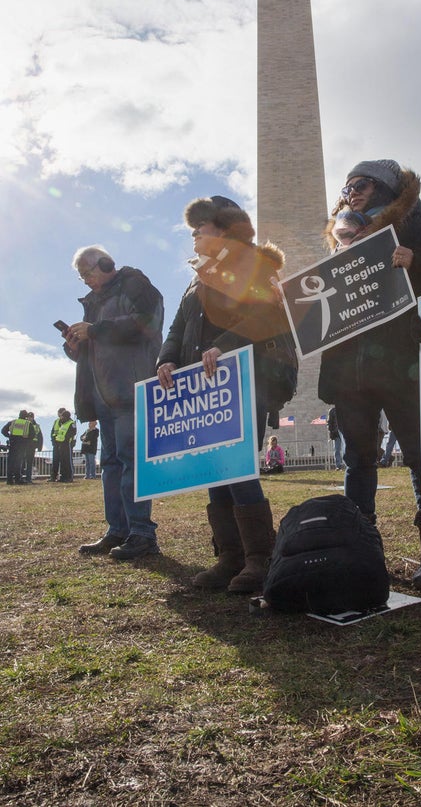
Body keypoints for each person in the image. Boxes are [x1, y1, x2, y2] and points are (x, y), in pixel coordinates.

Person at [319, 159, 421, 587]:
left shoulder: (416, 228)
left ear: (385, 189)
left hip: (401, 360)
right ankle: (362, 551)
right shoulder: (341, 239)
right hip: (350, 367)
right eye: (348, 185)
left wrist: (416, 262)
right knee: (357, 459)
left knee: (418, 455)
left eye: (362, 184)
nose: (352, 191)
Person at [156, 195, 297, 594]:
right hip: (204, 386)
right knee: (215, 468)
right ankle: (230, 556)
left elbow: (268, 314)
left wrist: (226, 343)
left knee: (236, 464)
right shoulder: (196, 277)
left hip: (247, 377)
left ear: (224, 230)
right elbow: (178, 328)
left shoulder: (252, 265)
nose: (195, 236)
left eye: (201, 229)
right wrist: (166, 359)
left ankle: (259, 556)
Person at [64, 245, 163, 560]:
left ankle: (142, 533)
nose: (86, 281)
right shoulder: (95, 301)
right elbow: (97, 343)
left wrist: (96, 330)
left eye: (87, 273)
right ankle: (118, 530)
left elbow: (147, 322)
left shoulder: (135, 284)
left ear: (105, 263)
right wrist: (77, 346)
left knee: (130, 461)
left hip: (128, 389)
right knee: (110, 465)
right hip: (102, 394)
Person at [2, 411, 34, 486]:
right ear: (26, 416)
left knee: (11, 463)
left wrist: (9, 436)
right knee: (18, 463)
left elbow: (3, 431)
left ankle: (9, 480)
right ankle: (18, 479)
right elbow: (33, 435)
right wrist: (27, 439)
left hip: (12, 444)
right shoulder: (28, 424)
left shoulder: (12, 422)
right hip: (22, 445)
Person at [54, 408, 77, 482]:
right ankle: (63, 477)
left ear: (66, 417)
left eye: (63, 417)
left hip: (67, 444)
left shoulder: (71, 423)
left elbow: (73, 432)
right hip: (60, 444)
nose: (61, 418)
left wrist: (66, 439)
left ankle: (69, 477)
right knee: (62, 461)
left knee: (68, 461)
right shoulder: (63, 424)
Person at [21, 412, 43, 483]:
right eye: (28, 417)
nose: (29, 418)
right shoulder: (24, 424)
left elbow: (40, 437)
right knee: (22, 462)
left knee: (29, 463)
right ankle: (21, 478)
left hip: (32, 446)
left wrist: (40, 447)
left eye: (31, 417)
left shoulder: (37, 426)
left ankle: (28, 478)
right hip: (25, 445)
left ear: (33, 418)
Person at [49, 407, 67, 481]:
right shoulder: (56, 421)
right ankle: (53, 477)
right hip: (56, 443)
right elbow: (53, 432)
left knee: (64, 461)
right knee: (55, 461)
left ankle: (64, 477)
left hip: (64, 444)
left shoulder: (69, 421)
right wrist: (53, 441)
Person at [327, 405, 345, 470]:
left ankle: (345, 464)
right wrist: (331, 432)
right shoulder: (332, 411)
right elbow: (329, 423)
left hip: (344, 433)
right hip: (336, 433)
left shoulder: (344, 409)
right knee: (337, 450)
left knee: (345, 449)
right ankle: (338, 465)